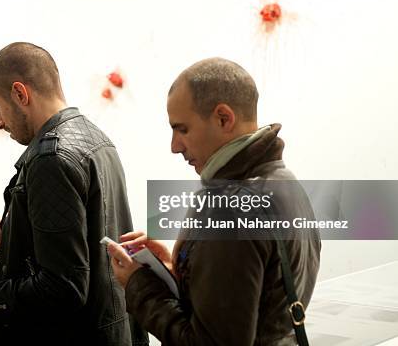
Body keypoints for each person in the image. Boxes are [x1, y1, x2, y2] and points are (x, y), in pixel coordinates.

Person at [0, 42, 148, 346]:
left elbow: (62, 289)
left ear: (20, 94)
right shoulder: (97, 140)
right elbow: (86, 252)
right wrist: (11, 239)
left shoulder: (50, 158)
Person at [107, 57, 321, 345]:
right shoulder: (284, 182)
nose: (174, 146)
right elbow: (259, 300)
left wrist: (138, 285)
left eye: (182, 129)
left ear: (223, 118)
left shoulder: (231, 209)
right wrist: (179, 268)